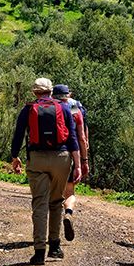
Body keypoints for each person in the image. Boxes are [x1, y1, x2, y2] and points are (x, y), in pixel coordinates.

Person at [11, 78, 81, 265]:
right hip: (61, 158)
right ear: (50, 91)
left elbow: (18, 134)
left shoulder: (28, 109)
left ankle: (39, 251)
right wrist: (78, 164)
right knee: (56, 201)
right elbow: (73, 137)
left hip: (37, 159)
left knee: (39, 204)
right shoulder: (64, 108)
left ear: (35, 92)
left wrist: (14, 156)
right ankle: (55, 247)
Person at [52, 84, 89, 242]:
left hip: (49, 154)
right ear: (69, 94)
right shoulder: (74, 107)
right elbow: (81, 137)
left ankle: (51, 233)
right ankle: (68, 213)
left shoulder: (49, 106)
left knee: (52, 195)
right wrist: (83, 160)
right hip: (69, 154)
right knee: (70, 192)